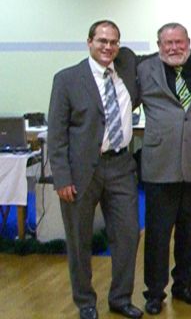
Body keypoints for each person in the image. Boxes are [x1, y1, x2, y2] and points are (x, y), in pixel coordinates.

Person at [48, 20, 143, 319]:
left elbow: (165, 52)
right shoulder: (67, 79)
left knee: (128, 234)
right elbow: (56, 134)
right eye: (102, 41)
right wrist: (61, 177)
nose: (108, 47)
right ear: (89, 42)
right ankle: (85, 302)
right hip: (80, 172)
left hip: (121, 166)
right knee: (79, 240)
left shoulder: (126, 66)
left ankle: (120, 298)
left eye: (113, 42)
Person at [137, 23, 191, 315]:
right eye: (167, 43)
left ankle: (184, 285)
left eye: (179, 42)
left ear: (188, 43)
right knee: (158, 235)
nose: (174, 48)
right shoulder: (144, 70)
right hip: (160, 165)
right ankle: (155, 292)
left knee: (190, 234)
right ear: (158, 45)